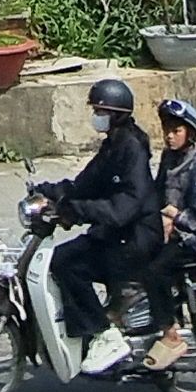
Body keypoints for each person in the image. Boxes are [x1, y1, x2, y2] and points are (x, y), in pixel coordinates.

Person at [40, 77, 155, 376]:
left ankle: (105, 334)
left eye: (101, 112)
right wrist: (49, 193)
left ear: (116, 114)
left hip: (134, 240)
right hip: (114, 235)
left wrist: (77, 211)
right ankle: (87, 331)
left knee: (70, 266)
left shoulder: (133, 149)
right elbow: (85, 184)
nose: (96, 117)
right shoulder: (113, 146)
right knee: (58, 259)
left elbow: (123, 209)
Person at [138, 96, 196, 371]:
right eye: (167, 130)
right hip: (173, 235)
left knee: (155, 271)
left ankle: (170, 333)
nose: (170, 136)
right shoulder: (169, 158)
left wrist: (174, 217)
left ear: (190, 133)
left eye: (177, 131)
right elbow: (157, 193)